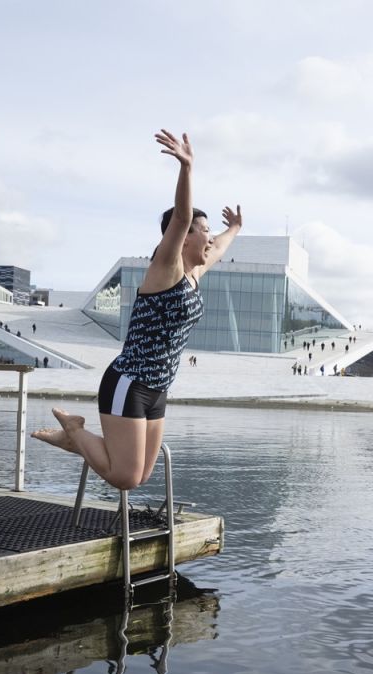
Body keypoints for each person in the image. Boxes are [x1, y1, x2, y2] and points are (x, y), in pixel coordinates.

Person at [33, 129, 242, 490]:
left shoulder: (195, 274)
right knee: (125, 477)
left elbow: (220, 247)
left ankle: (74, 440)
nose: (210, 237)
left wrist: (235, 228)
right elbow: (181, 218)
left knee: (142, 475)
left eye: (210, 231)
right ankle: (75, 430)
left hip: (159, 388)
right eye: (204, 231)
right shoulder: (166, 270)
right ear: (184, 238)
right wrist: (186, 169)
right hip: (129, 381)